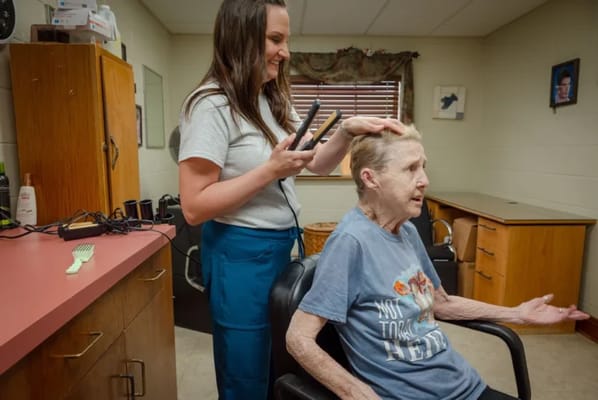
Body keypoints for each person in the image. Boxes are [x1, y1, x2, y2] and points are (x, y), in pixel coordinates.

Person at [177, 0, 406, 398]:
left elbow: (314, 163)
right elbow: (194, 206)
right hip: (240, 254)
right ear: (241, 38)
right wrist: (270, 169)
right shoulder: (211, 104)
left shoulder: (268, 100)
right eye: (275, 39)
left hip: (281, 246)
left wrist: (347, 131)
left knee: (276, 361)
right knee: (245, 371)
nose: (285, 52)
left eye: (286, 40)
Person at [286, 127, 590, 400]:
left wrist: (518, 313)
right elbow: (298, 338)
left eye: (424, 167)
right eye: (410, 169)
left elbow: (441, 303)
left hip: (464, 385)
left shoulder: (405, 229)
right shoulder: (350, 242)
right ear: (370, 178)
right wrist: (357, 393)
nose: (424, 181)